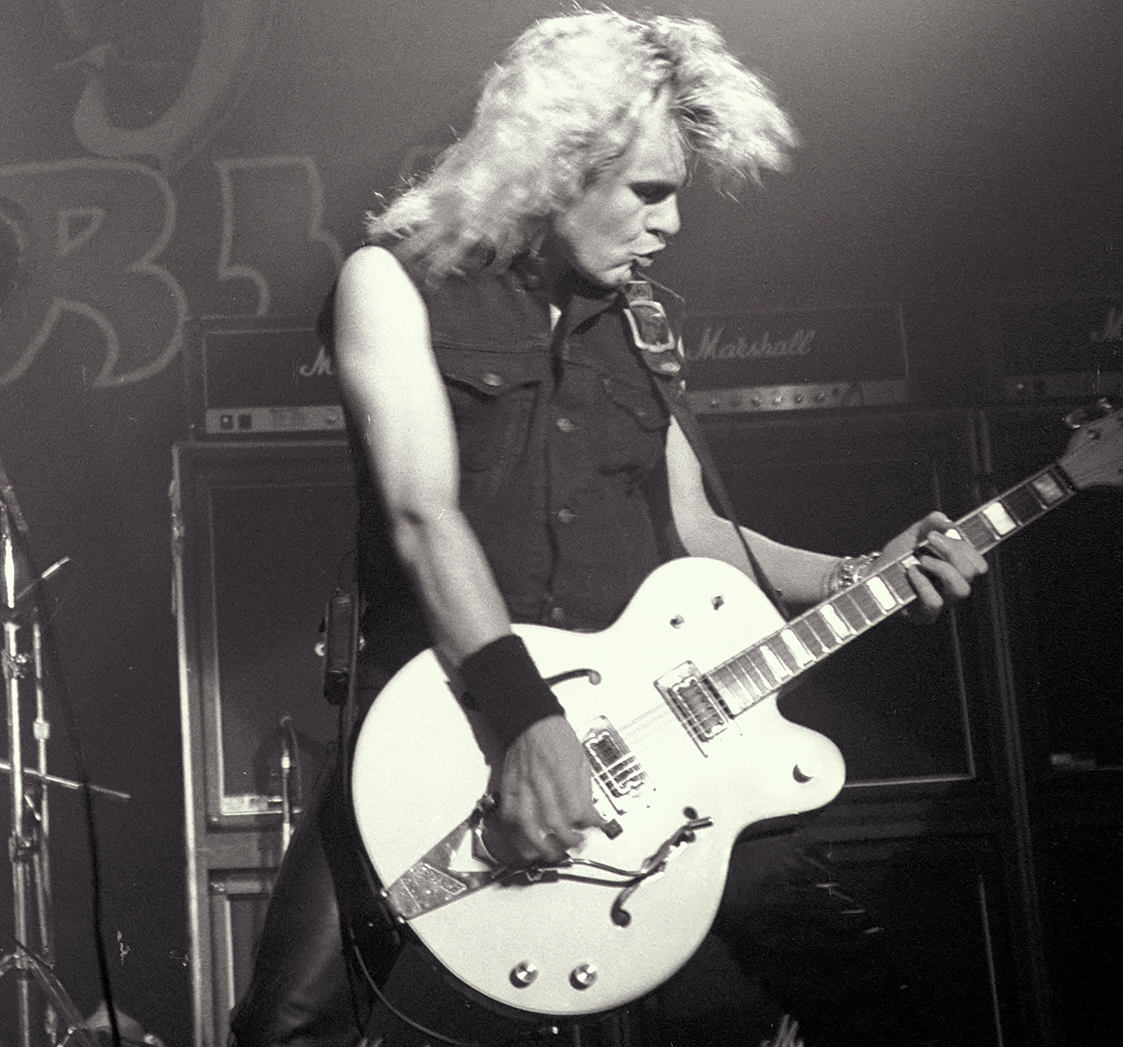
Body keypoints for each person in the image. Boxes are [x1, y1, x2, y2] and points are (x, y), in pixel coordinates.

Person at [230, 10, 987, 1047]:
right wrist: (526, 722)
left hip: (648, 737)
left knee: (845, 977)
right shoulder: (392, 283)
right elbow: (420, 515)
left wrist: (860, 570)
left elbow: (696, 533)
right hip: (438, 725)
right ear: (554, 167)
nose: (668, 224)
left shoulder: (641, 325)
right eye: (648, 191)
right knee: (289, 1026)